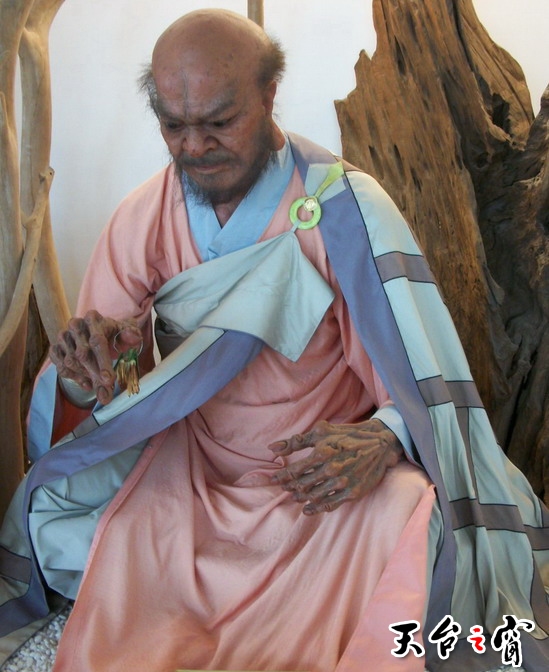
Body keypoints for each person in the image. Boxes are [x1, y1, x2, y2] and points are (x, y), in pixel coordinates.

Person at [0, 8, 548, 672]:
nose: (195, 146)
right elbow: (114, 387)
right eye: (174, 126)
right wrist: (88, 374)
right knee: (57, 509)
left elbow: (416, 379)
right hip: (193, 467)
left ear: (268, 95)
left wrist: (382, 438)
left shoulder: (346, 208)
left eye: (219, 122)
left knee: (410, 513)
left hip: (315, 476)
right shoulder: (142, 217)